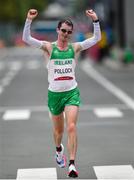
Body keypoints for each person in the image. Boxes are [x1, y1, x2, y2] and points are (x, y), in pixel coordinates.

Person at [22, 8, 101, 178]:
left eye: (69, 32)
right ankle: (59, 150)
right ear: (58, 30)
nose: (65, 34)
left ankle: (72, 164)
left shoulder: (75, 47)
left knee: (71, 126)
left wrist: (95, 21)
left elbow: (96, 39)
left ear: (71, 34)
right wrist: (29, 20)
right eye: (63, 30)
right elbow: (26, 39)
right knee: (59, 133)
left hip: (71, 92)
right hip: (54, 95)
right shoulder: (48, 48)